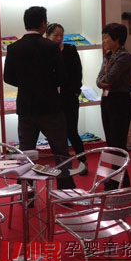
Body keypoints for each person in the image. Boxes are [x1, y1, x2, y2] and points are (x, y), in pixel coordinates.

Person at [4, 6, 75, 189]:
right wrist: (47, 84)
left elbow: (8, 77)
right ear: (43, 24)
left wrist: (27, 85)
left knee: (26, 152)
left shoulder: (13, 48)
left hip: (26, 106)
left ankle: (26, 193)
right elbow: (62, 77)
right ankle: (65, 190)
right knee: (60, 151)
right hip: (51, 106)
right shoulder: (51, 47)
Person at [46, 23, 88, 176]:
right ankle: (63, 164)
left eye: (61, 35)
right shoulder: (45, 52)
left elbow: (78, 72)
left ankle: (82, 161)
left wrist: (75, 91)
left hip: (69, 97)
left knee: (72, 131)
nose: (59, 38)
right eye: (55, 35)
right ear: (47, 36)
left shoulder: (70, 50)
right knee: (57, 134)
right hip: (53, 99)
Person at [96, 23, 131, 190]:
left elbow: (109, 78)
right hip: (108, 100)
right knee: (111, 141)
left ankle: (120, 178)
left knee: (118, 142)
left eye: (106, 37)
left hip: (120, 101)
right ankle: (118, 177)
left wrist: (103, 81)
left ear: (117, 39)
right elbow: (99, 80)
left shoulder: (124, 57)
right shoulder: (108, 56)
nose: (103, 41)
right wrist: (102, 82)